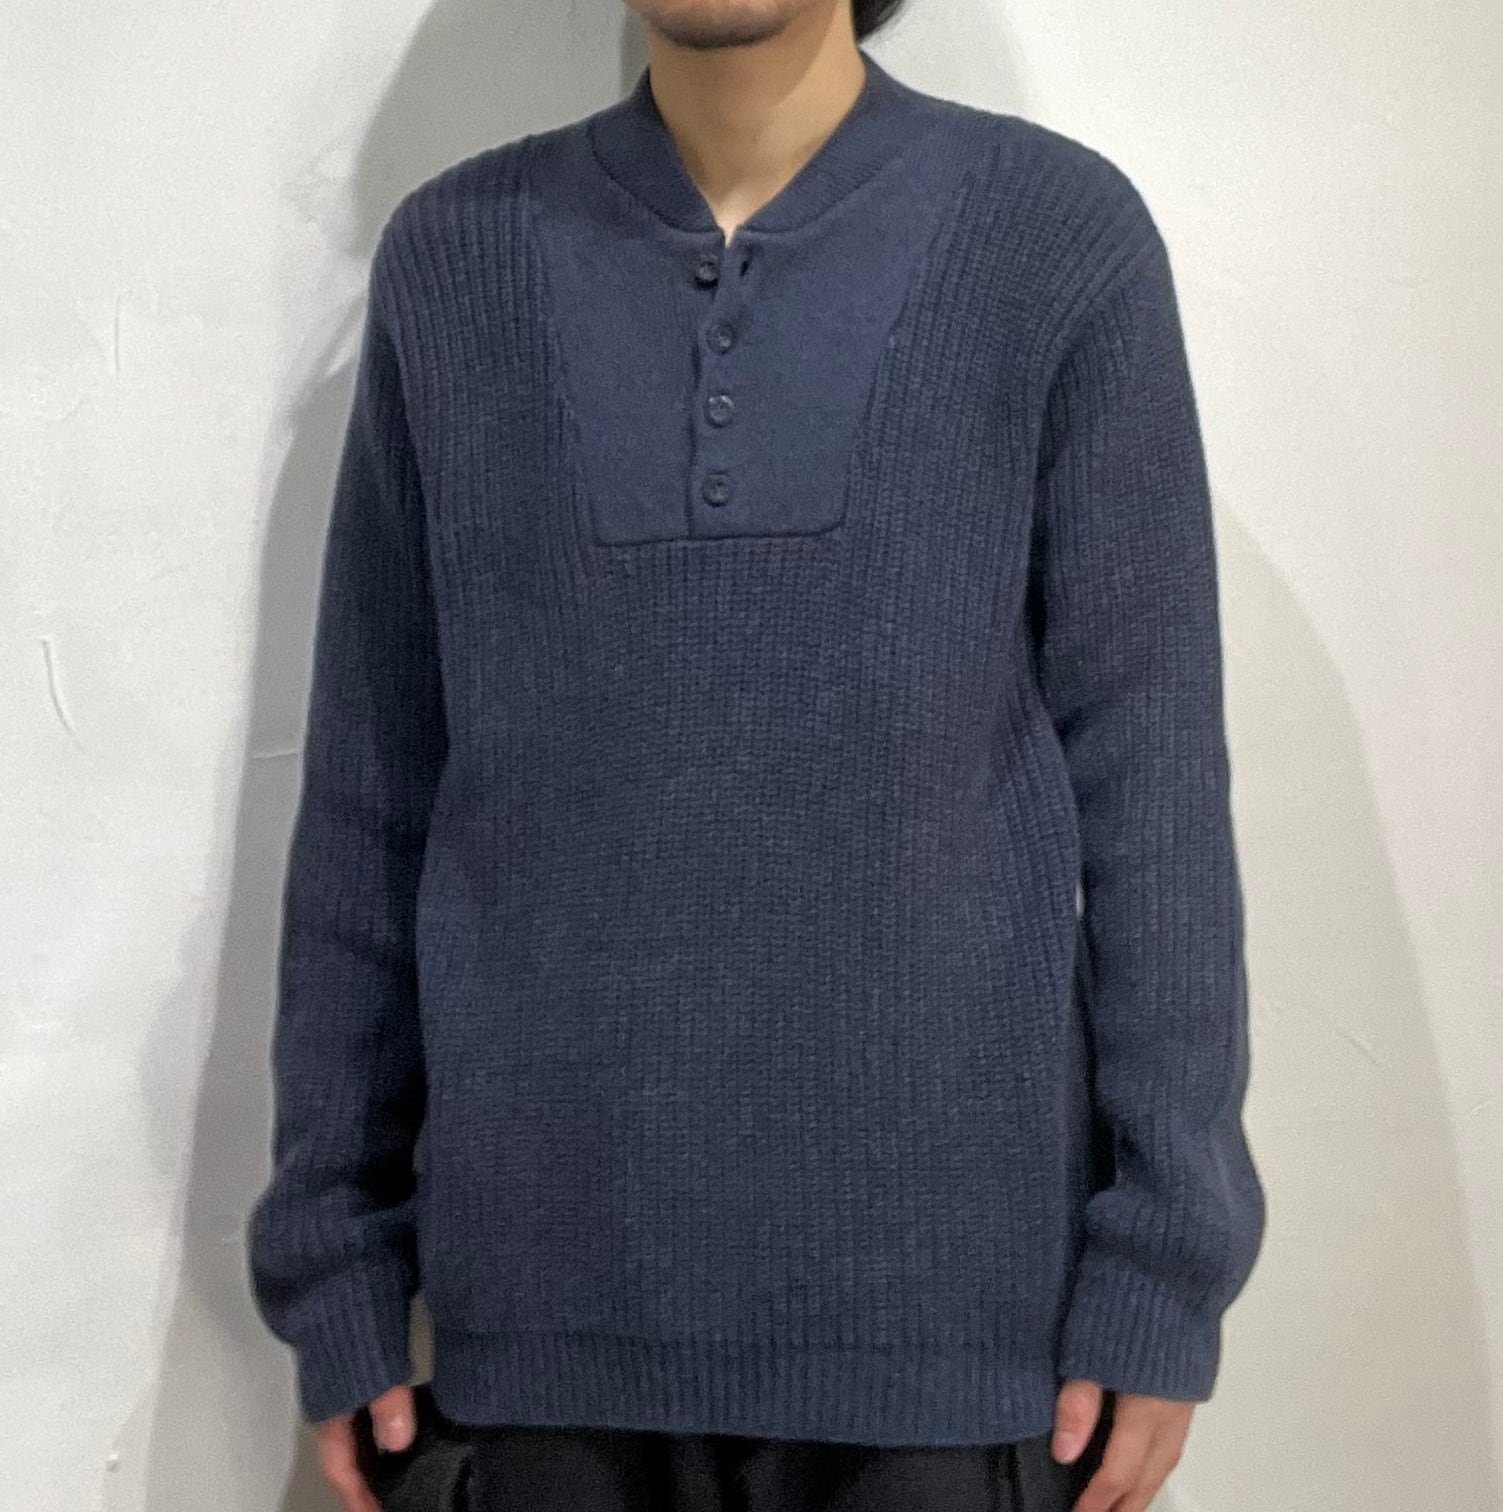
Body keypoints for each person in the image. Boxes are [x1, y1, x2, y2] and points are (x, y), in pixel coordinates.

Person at [245, 0, 1267, 1508]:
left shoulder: (1055, 239)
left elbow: (1155, 785)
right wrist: (335, 1255)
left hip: (955, 1352)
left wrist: (1165, 1265)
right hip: (533, 1346)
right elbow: (371, 789)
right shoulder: (454, 260)